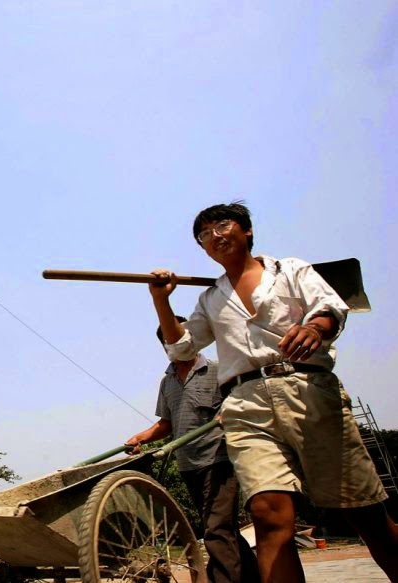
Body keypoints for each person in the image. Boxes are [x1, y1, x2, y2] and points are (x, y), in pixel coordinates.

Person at [149, 201, 398, 582]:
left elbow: (331, 305)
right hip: (245, 403)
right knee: (268, 514)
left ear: (247, 231)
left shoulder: (291, 269)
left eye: (222, 226)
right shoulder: (210, 299)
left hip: (307, 390)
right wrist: (161, 300)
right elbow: (182, 347)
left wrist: (316, 327)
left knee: (364, 512)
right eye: (204, 234)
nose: (214, 236)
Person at [126, 317, 259, 583]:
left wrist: (227, 414)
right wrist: (140, 437)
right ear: (165, 347)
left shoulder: (220, 370)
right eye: (169, 341)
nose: (175, 344)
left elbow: (239, 406)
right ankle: (256, 575)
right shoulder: (168, 382)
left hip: (219, 461)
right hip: (189, 464)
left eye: (181, 337)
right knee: (222, 527)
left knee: (216, 528)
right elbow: (166, 424)